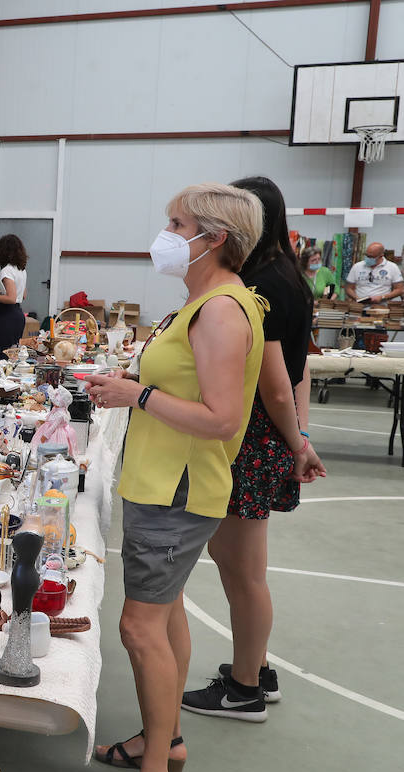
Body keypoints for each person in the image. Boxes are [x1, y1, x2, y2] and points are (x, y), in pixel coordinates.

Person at [84, 182, 266, 772]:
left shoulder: (220, 310)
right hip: (161, 481)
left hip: (178, 489)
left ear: (213, 237)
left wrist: (138, 392)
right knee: (166, 616)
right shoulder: (203, 303)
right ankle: (167, 738)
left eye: (177, 223)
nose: (166, 233)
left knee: (140, 628)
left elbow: (221, 420)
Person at [181, 177, 326, 721]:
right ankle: (255, 666)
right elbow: (300, 367)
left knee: (238, 567)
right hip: (270, 434)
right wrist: (300, 434)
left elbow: (271, 380)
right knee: (247, 566)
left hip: (252, 435)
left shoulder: (256, 286)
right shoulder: (289, 276)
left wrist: (295, 441)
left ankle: (244, 688)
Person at [0, 234, 28, 359]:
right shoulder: (21, 270)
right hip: (17, 315)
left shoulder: (6, 271)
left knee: (3, 357)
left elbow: (11, 298)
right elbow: (23, 296)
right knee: (14, 355)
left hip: (6, 316)